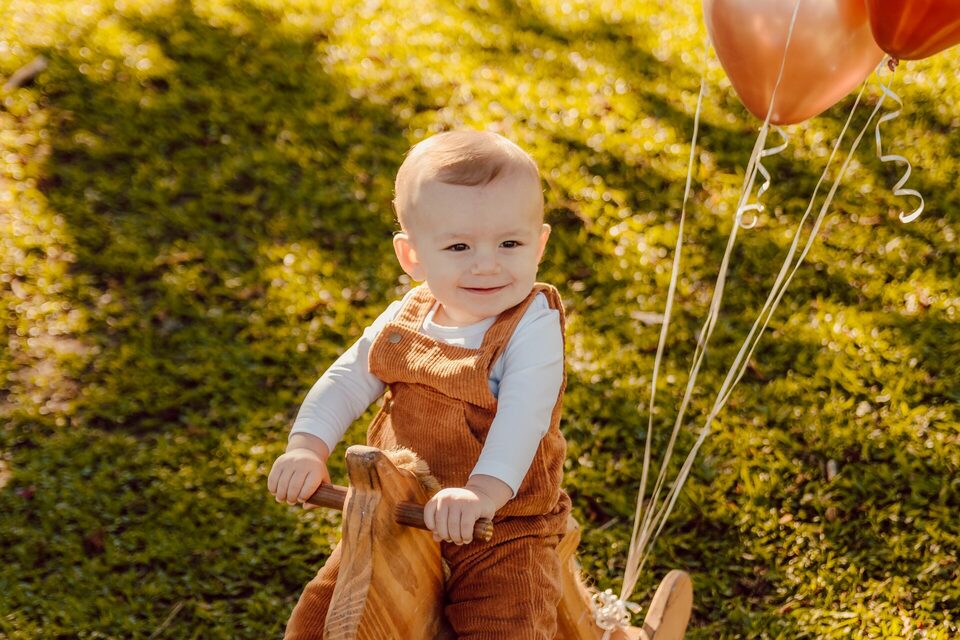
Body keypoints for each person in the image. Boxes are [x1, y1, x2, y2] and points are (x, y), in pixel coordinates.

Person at [268, 129, 571, 639]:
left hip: (502, 524)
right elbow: (346, 379)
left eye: (510, 243)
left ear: (538, 244)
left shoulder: (531, 326)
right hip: (395, 509)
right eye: (458, 245)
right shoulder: (405, 317)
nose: (487, 263)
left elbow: (523, 419)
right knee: (323, 615)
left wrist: (481, 492)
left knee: (507, 621)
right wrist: (307, 446)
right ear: (412, 257)